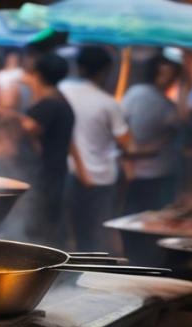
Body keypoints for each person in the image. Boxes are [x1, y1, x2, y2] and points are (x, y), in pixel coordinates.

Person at [59, 46, 131, 251]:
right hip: (100, 177)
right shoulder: (108, 102)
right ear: (105, 70)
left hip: (67, 171)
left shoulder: (63, 90)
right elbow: (126, 142)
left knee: (66, 234)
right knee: (92, 236)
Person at [19, 53, 75, 247]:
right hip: (54, 171)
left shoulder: (50, 103)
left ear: (37, 73)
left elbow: (30, 128)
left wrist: (10, 116)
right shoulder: (60, 99)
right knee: (47, 222)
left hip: (46, 174)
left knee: (40, 225)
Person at [122, 56, 182, 213]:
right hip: (142, 170)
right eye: (163, 73)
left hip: (157, 170)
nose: (167, 78)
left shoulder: (168, 105)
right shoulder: (138, 93)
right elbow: (122, 124)